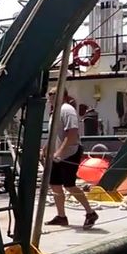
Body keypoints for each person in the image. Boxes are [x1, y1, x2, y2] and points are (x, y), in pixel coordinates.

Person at [44, 87, 99, 229]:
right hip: (57, 154)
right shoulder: (54, 112)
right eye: (49, 94)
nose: (49, 96)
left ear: (61, 95)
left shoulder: (67, 110)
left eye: (52, 94)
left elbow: (72, 133)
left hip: (70, 152)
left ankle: (90, 212)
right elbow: (54, 134)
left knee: (69, 185)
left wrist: (60, 153)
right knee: (54, 184)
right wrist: (45, 148)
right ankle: (61, 216)